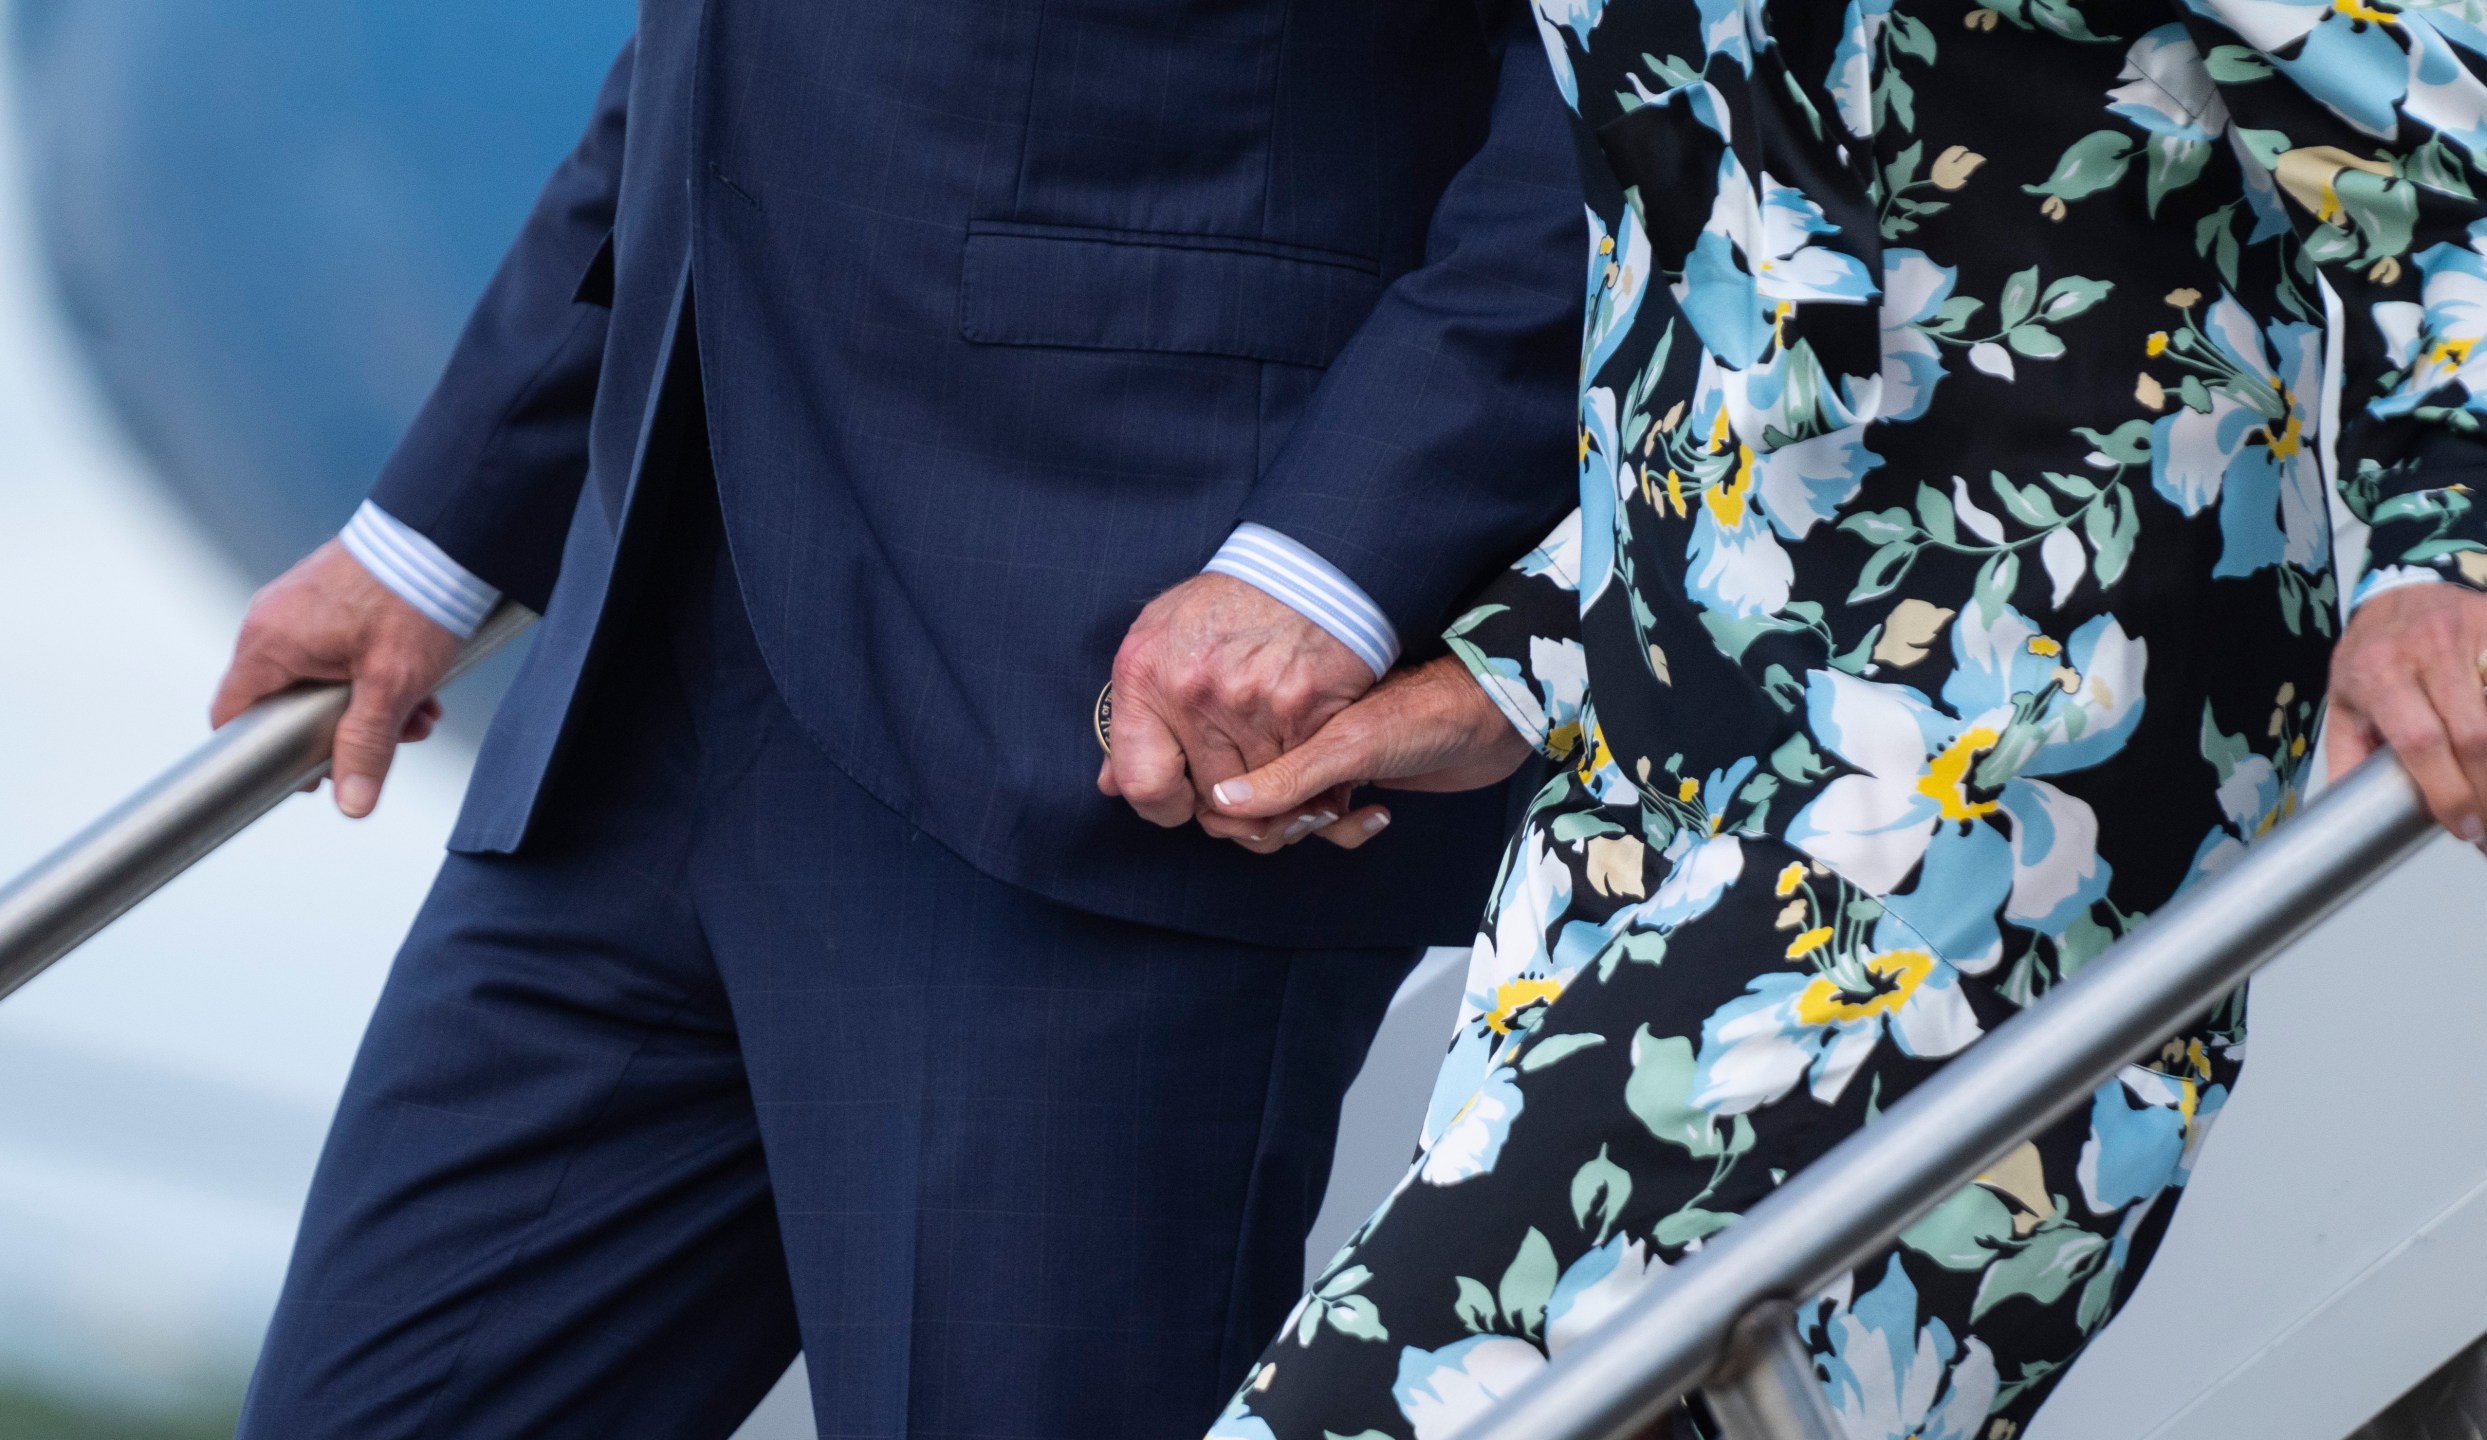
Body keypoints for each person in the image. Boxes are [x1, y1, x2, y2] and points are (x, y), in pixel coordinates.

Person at [204, 3, 1591, 1436]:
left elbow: (1646, 89)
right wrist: (432, 529)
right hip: (644, 692)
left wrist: (1328, 560)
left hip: (1108, 686)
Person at [1189, 0, 2487, 1435]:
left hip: (1996, 787)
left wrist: (2447, 564)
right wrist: (1529, 661)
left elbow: (2455, 183)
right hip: (1636, 792)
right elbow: (1718, 251)